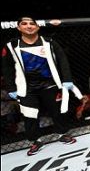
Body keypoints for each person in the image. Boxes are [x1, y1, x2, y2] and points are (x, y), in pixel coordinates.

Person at [2, 16, 78, 155]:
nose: (29, 26)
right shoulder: (12, 45)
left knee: (58, 111)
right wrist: (11, 88)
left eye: (32, 23)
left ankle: (62, 134)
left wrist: (67, 79)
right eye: (24, 23)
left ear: (37, 27)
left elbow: (62, 59)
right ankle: (35, 141)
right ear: (19, 28)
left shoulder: (49, 42)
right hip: (27, 87)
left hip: (50, 84)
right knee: (29, 115)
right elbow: (7, 68)